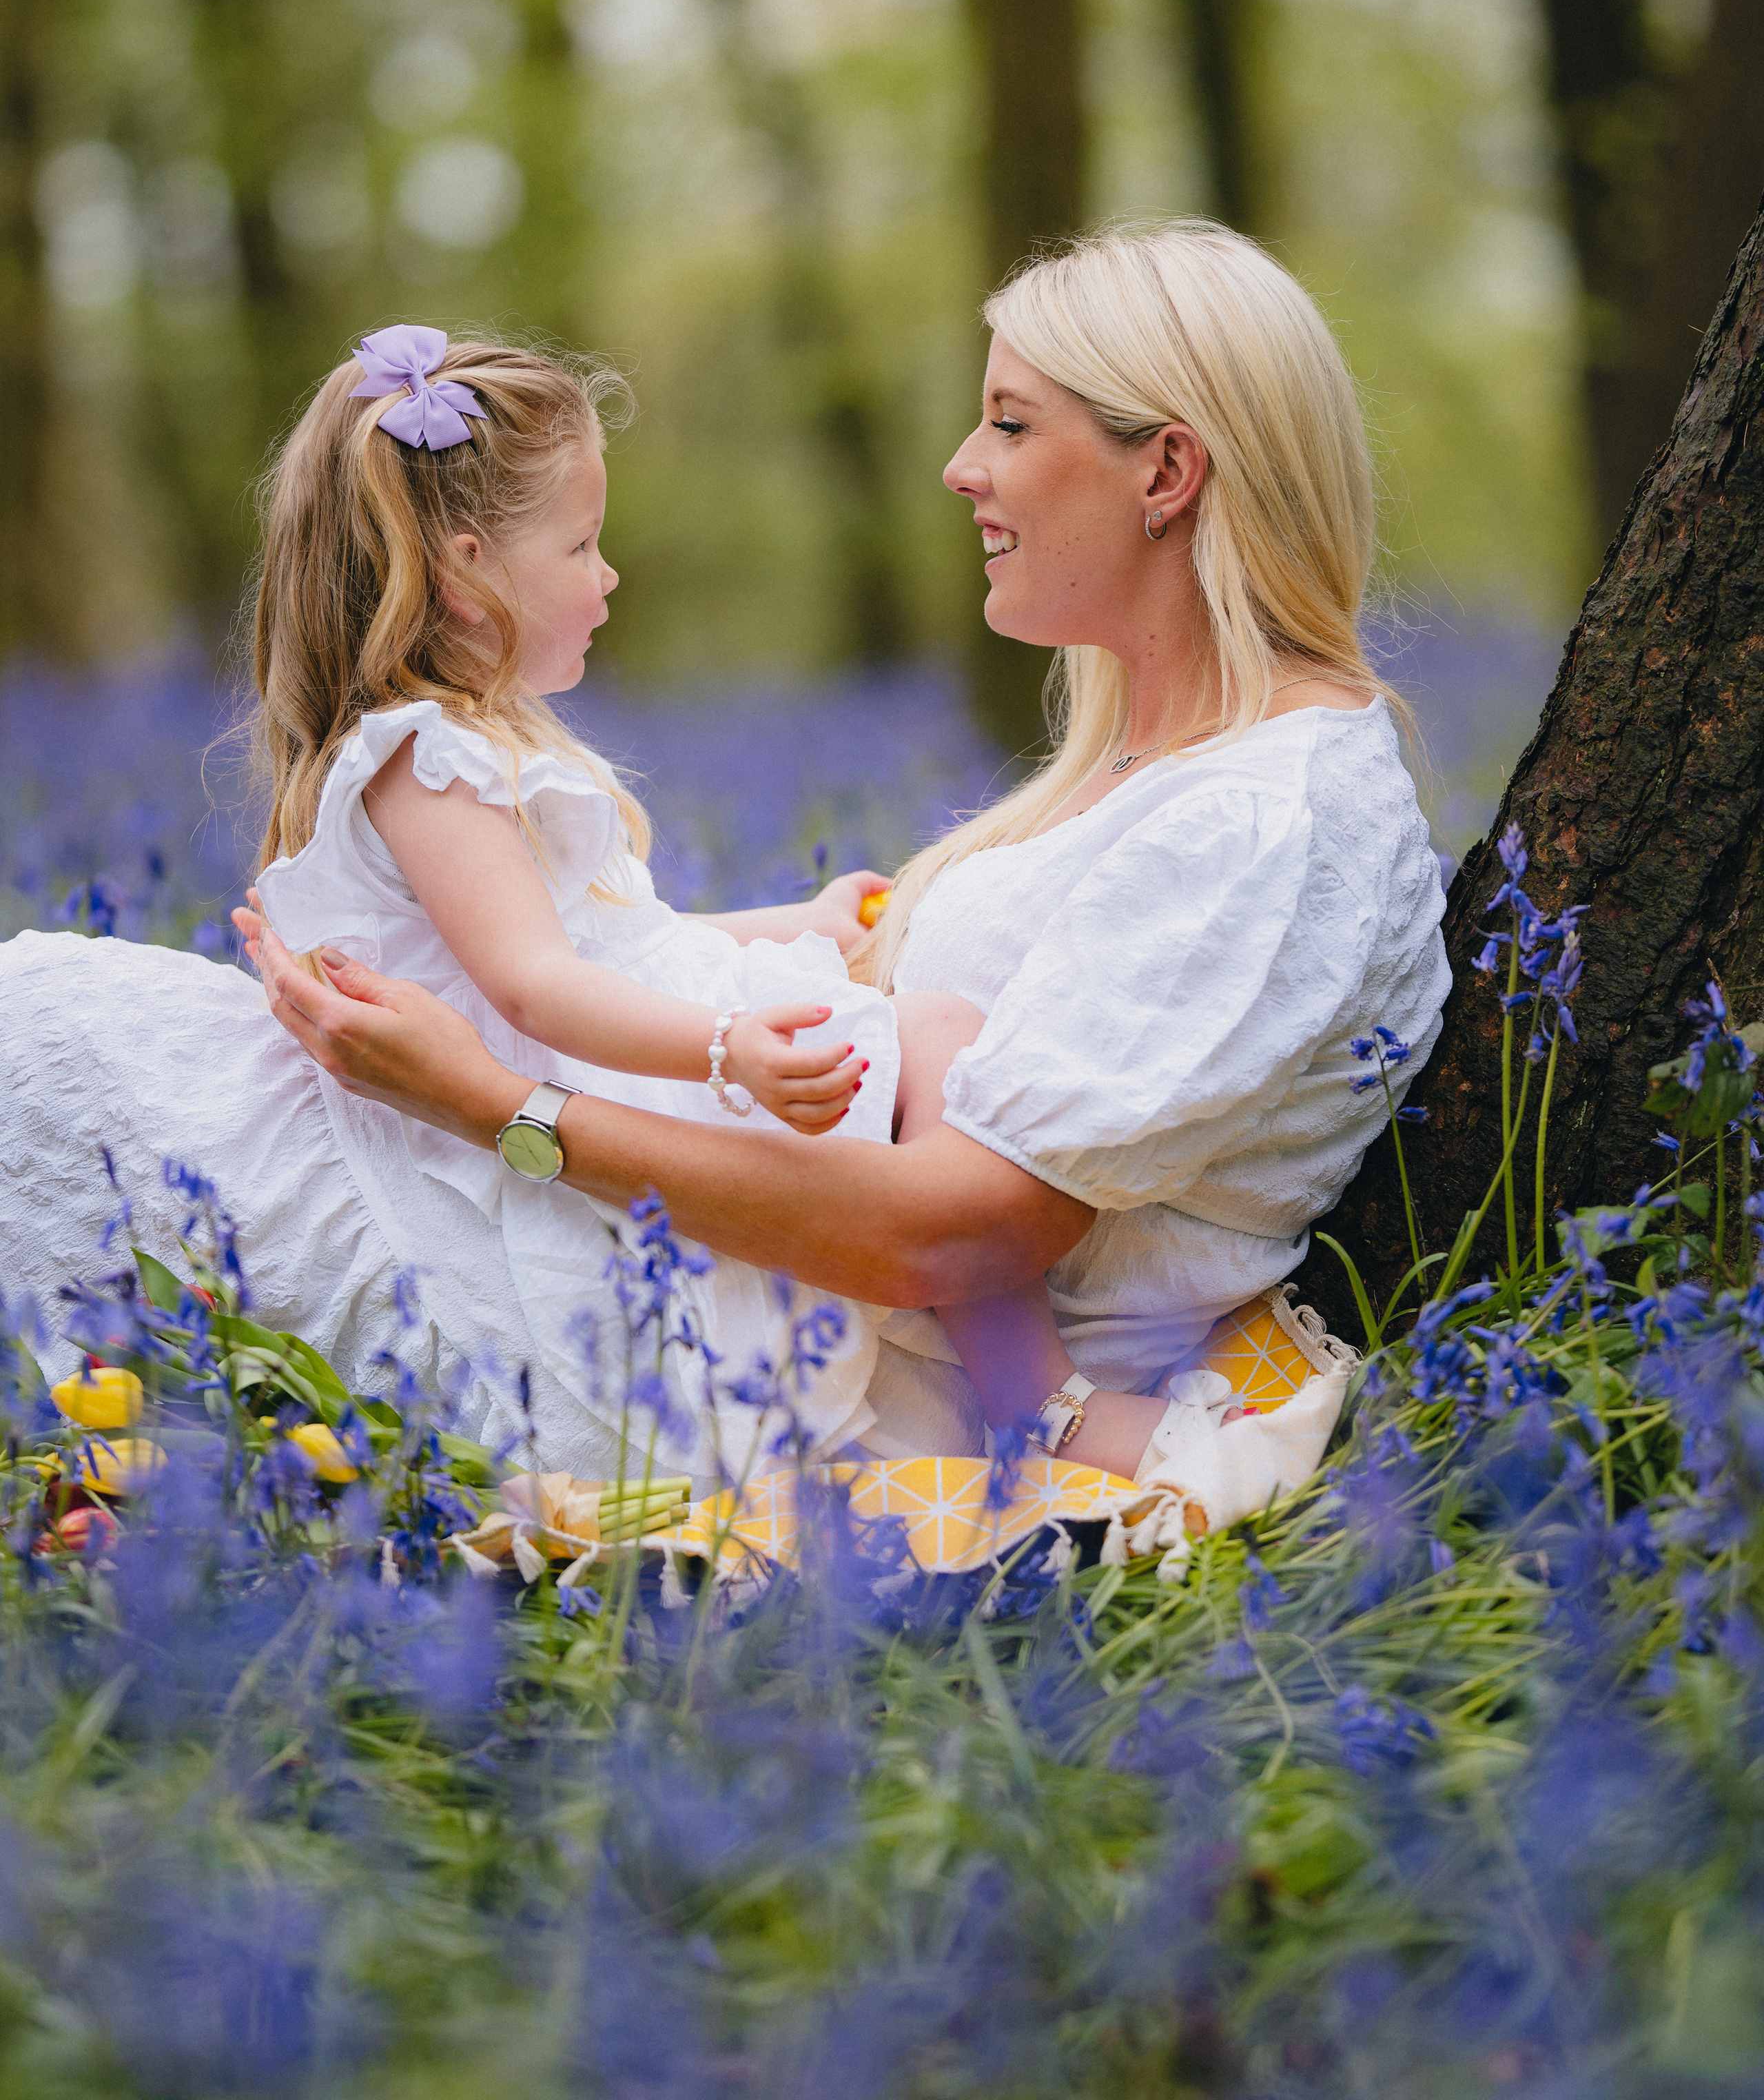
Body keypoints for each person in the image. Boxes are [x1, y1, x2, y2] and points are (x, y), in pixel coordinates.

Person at [233, 222, 1452, 1490]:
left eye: (1012, 425)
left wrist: (496, 1106)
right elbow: (605, 958)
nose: (960, 467)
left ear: (1168, 474)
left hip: (808, 1362)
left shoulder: (1258, 822)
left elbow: (952, 1232)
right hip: (739, 1288)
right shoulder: (1168, 772)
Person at [0, 325, 990, 1485]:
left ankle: (1038, 1376)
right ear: (469, 573)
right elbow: (536, 984)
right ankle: (1048, 1394)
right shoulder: (427, 760)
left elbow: (606, 943)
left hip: (570, 1073)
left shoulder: (479, 749)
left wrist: (796, 924)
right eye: (581, 544)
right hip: (508, 1112)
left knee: (898, 1084)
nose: (608, 574)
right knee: (886, 1099)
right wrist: (724, 1049)